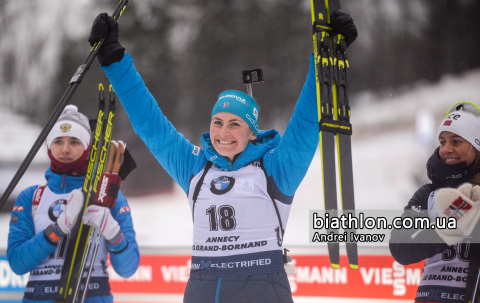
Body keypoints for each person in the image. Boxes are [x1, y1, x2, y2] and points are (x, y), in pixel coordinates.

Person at [87, 10, 357, 303]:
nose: (223, 132)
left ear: (252, 132)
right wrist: (115, 61)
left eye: (234, 124)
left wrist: (322, 62)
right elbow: (152, 126)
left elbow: (306, 122)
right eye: (217, 122)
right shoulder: (195, 167)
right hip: (204, 291)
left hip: (263, 290)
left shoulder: (276, 168)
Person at [7, 105, 140, 303]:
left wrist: (113, 233)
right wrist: (57, 230)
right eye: (58, 141)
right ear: (49, 146)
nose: (65, 149)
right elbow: (18, 263)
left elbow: (128, 269)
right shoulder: (30, 197)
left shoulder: (107, 194)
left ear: (87, 147)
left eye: (74, 142)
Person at [390, 102, 480, 303]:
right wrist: (444, 231)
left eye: (456, 142)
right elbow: (400, 246)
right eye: (442, 142)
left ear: (476, 147)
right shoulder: (428, 194)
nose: (446, 149)